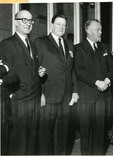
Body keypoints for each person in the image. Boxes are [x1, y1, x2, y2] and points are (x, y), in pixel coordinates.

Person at [34, 14, 78, 155]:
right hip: (48, 96)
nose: (61, 27)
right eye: (58, 24)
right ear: (51, 25)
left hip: (66, 97)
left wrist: (75, 91)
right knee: (46, 134)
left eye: (64, 25)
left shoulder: (68, 44)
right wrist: (40, 93)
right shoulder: (41, 42)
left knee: (62, 133)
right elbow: (36, 70)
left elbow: (71, 70)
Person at [0, 10, 43, 155]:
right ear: (16, 22)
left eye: (30, 21)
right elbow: (5, 73)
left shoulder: (32, 44)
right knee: (19, 143)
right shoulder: (7, 43)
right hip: (19, 101)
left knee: (32, 142)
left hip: (34, 100)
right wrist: (12, 94)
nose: (28, 24)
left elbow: (30, 69)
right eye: (24, 20)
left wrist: (39, 72)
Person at [74, 19, 113, 155]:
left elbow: (112, 68)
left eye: (101, 29)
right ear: (88, 30)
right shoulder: (78, 48)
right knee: (85, 132)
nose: (101, 32)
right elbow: (79, 71)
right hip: (86, 97)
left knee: (100, 131)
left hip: (102, 98)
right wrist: (97, 82)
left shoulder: (104, 47)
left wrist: (107, 81)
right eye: (98, 29)